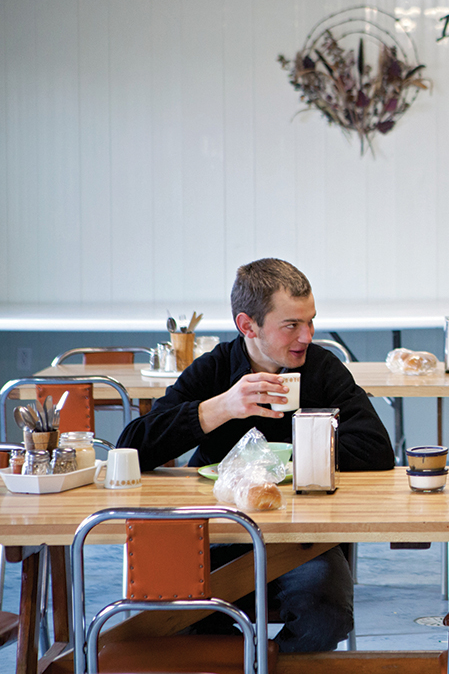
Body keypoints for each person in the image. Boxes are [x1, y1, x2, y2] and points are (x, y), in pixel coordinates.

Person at [119, 257, 395, 652]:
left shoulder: (320, 369)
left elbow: (376, 449)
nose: (307, 336)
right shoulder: (214, 370)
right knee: (172, 615)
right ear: (247, 325)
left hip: (302, 539)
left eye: (310, 321)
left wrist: (295, 457)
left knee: (328, 617)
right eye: (292, 326)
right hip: (212, 533)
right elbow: (130, 447)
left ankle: (261, 660)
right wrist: (223, 406)